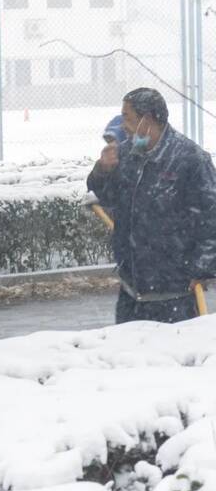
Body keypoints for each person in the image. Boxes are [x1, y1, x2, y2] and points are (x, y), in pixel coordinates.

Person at [87, 87, 216, 324]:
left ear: (147, 120)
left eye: (127, 117)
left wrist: (202, 267)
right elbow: (107, 196)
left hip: (175, 293)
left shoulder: (190, 159)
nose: (123, 124)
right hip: (131, 291)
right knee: (129, 357)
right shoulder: (127, 154)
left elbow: (211, 215)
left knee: (169, 358)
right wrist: (102, 171)